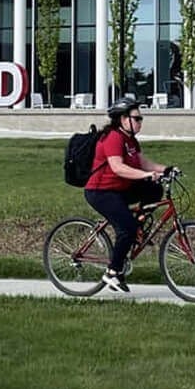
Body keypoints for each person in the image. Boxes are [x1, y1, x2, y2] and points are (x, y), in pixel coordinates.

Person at [82, 95, 168, 293]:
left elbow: (143, 163)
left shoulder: (130, 140)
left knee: (154, 189)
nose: (140, 123)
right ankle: (112, 272)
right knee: (126, 229)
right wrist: (147, 175)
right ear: (123, 119)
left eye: (141, 119)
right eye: (137, 119)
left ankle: (137, 226)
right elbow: (118, 168)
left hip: (120, 189)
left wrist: (166, 169)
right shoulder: (112, 137)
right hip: (101, 191)